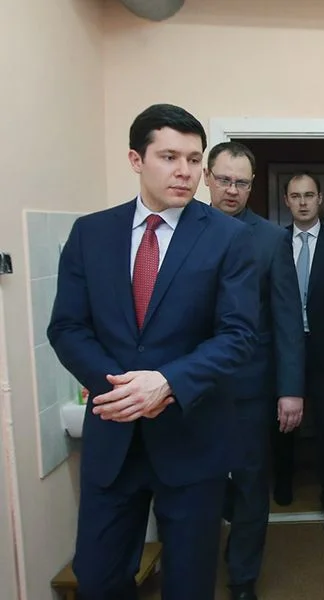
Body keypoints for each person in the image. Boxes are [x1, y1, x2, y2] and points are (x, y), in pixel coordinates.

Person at [46, 104, 260, 600]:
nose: (184, 171)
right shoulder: (91, 234)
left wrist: (166, 382)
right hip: (114, 440)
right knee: (98, 579)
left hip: (192, 438)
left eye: (193, 159)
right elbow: (67, 327)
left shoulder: (229, 238)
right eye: (169, 157)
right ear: (136, 159)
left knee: (189, 584)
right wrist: (121, 388)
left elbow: (238, 335)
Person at [205, 141, 305, 600]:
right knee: (198, 480)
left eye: (241, 183)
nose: (232, 190)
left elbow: (287, 318)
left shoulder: (270, 239)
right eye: (224, 180)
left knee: (249, 485)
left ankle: (243, 578)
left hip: (249, 387)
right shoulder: (181, 231)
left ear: (251, 186)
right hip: (191, 388)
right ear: (207, 178)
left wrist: (290, 389)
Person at [273, 172, 324, 536]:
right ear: (286, 200)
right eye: (296, 196)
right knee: (283, 423)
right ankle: (282, 487)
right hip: (285, 347)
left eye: (309, 195)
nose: (302, 202)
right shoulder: (274, 243)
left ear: (319, 199)